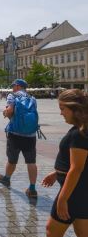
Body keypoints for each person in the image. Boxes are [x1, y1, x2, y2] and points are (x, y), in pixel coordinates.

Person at [42, 89, 88, 237]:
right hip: (81, 189)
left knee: (52, 231)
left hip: (74, 192)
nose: (61, 113)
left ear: (75, 109)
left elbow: (77, 168)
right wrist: (57, 173)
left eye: (63, 109)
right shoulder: (81, 130)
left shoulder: (79, 134)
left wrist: (62, 199)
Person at [0, 78, 38, 198]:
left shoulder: (12, 96)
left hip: (15, 133)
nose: (12, 88)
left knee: (12, 160)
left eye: (14, 86)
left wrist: (5, 112)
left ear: (18, 86)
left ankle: (6, 179)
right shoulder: (32, 98)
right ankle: (32, 188)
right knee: (31, 161)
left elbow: (9, 111)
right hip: (31, 134)